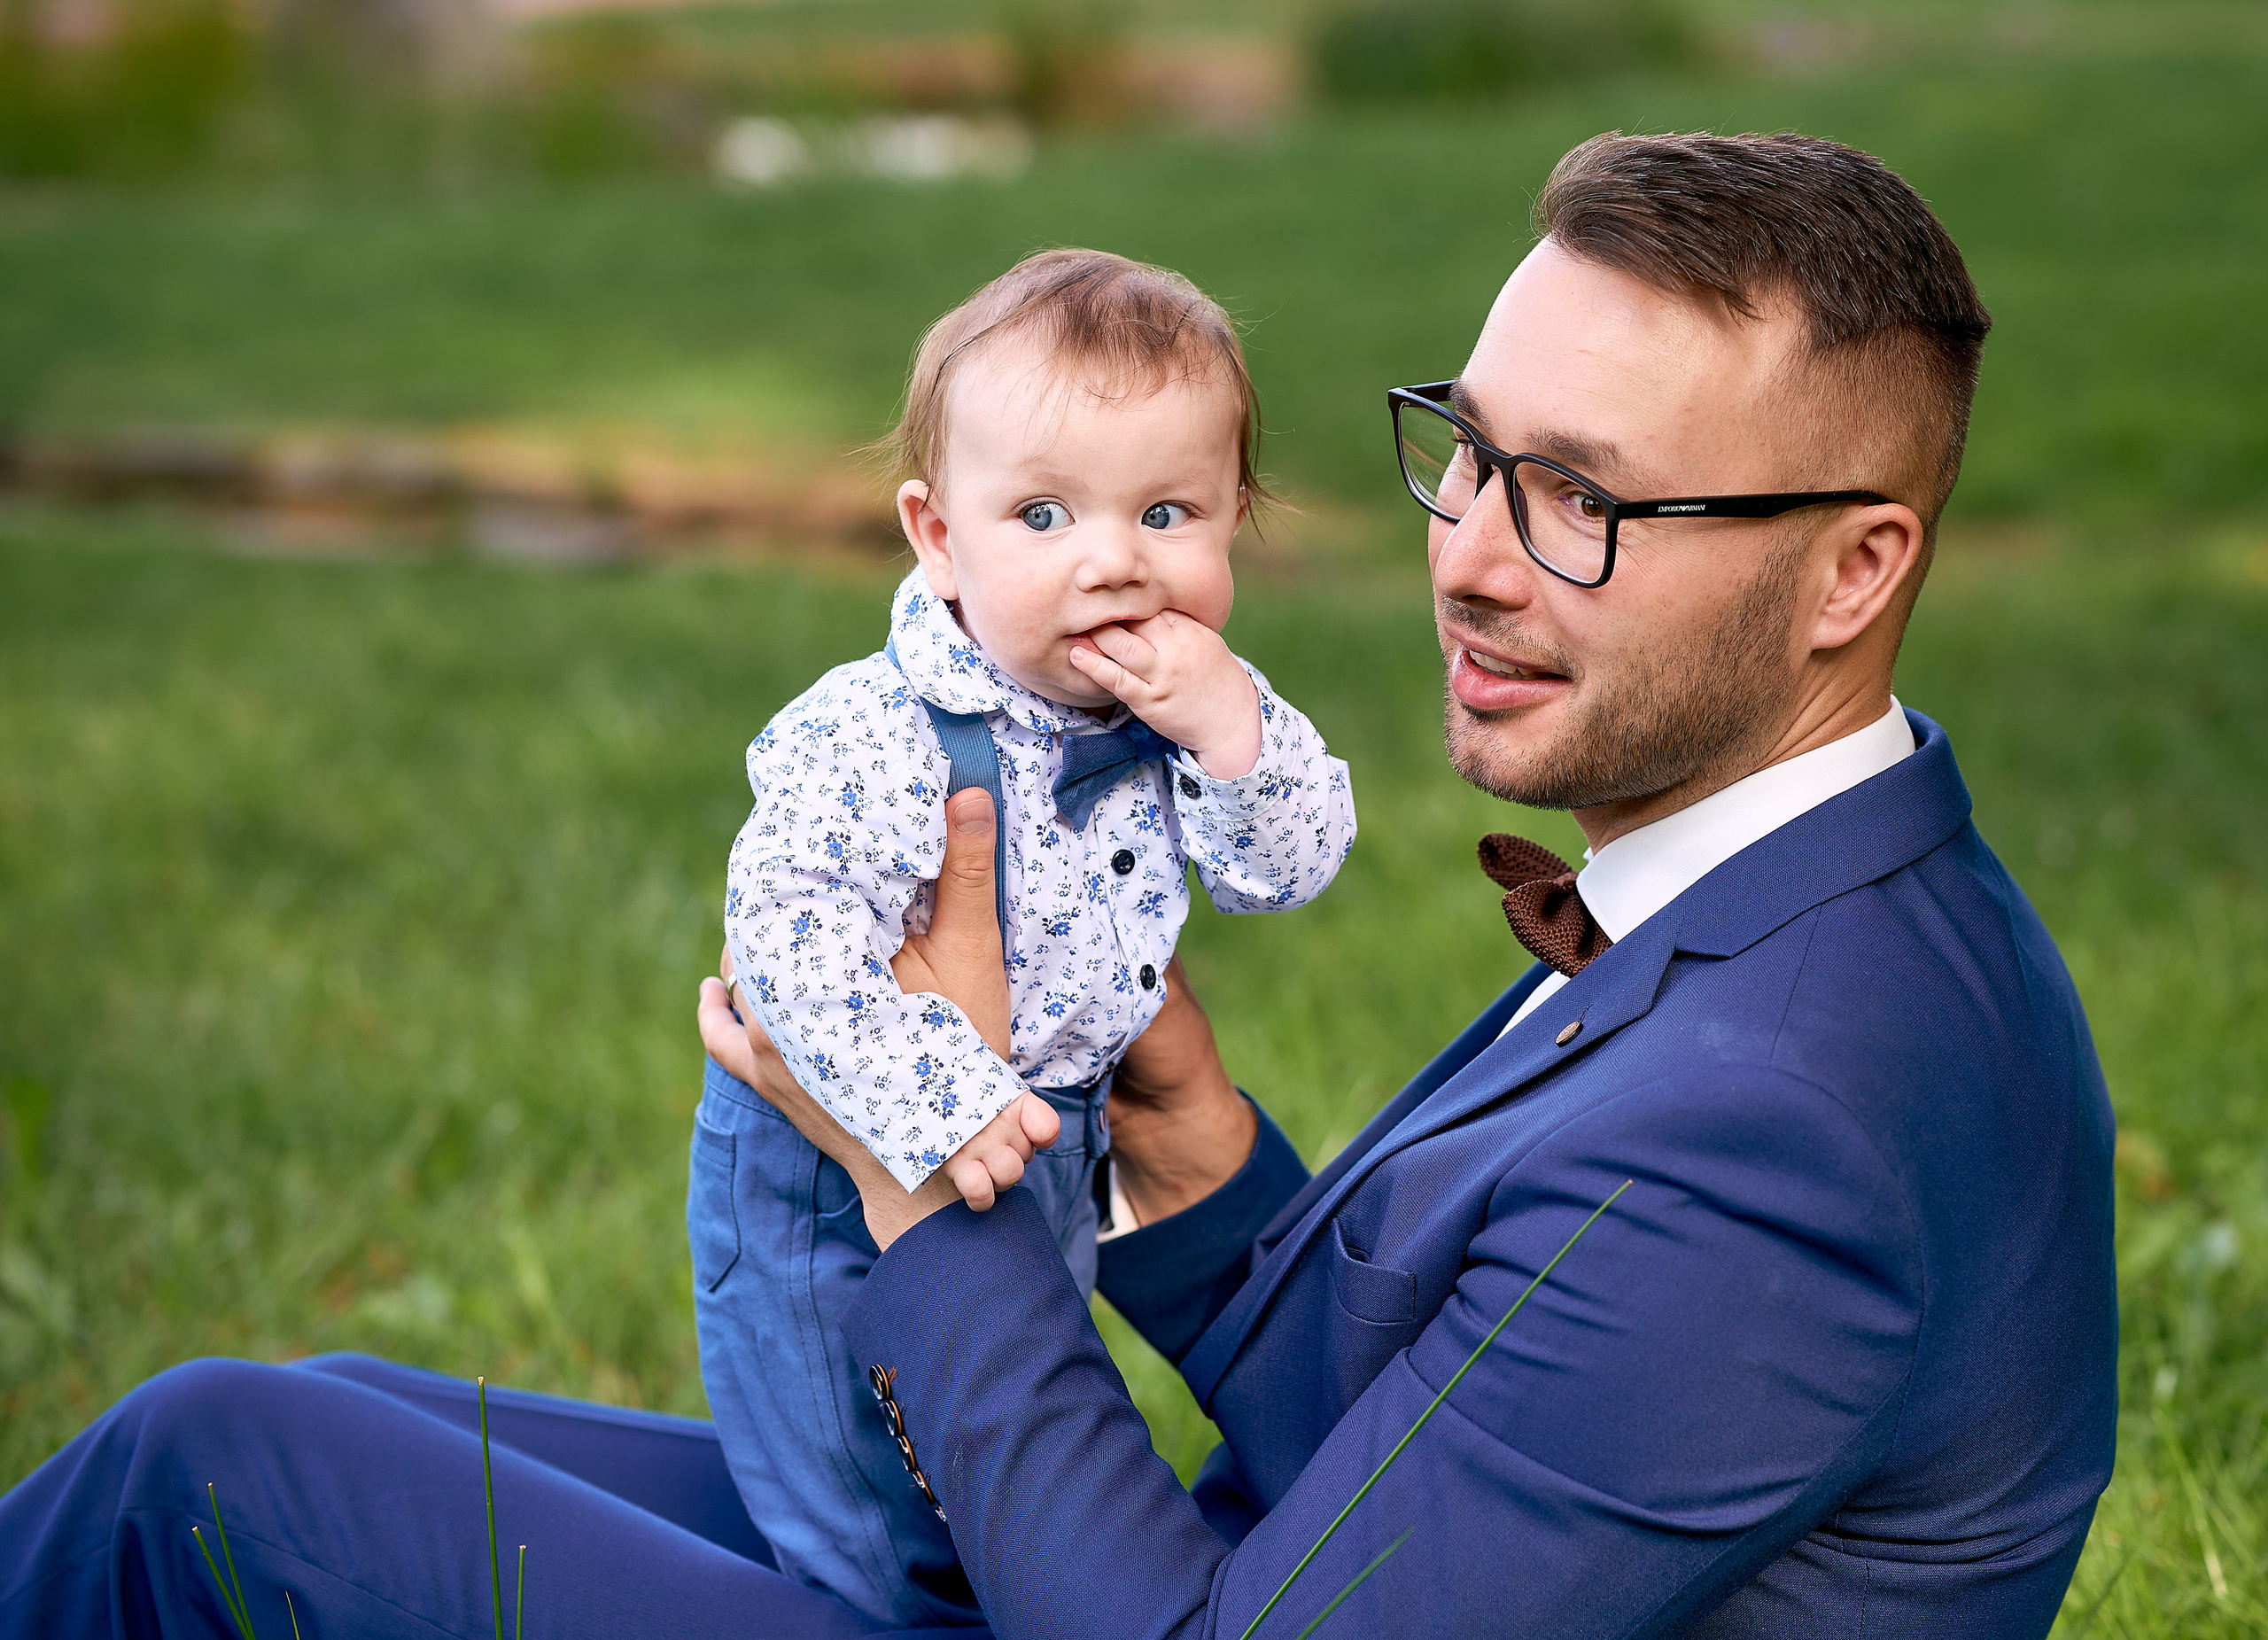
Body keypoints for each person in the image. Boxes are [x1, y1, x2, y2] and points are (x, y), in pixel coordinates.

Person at [0, 130, 2117, 1640]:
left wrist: (927, 1171)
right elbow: (1473, 1441)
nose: (1468, 551)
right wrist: (1198, 1181)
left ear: (1852, 569)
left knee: (212, 1477)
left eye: (1579, 499)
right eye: (1467, 450)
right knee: (333, 1417)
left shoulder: (1786, 1125)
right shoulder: (1799, 899)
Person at [701, 246, 1355, 1625]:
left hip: (1056, 1142)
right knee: (859, 1487)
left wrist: (1233, 737)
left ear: (1236, 519)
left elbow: (1283, 874)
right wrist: (933, 1097)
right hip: (848, 1152)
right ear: (940, 535)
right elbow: (783, 933)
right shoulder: (872, 731)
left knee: (989, 1458)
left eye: (1168, 513)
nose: (1114, 563)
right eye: (1044, 516)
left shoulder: (1189, 703)